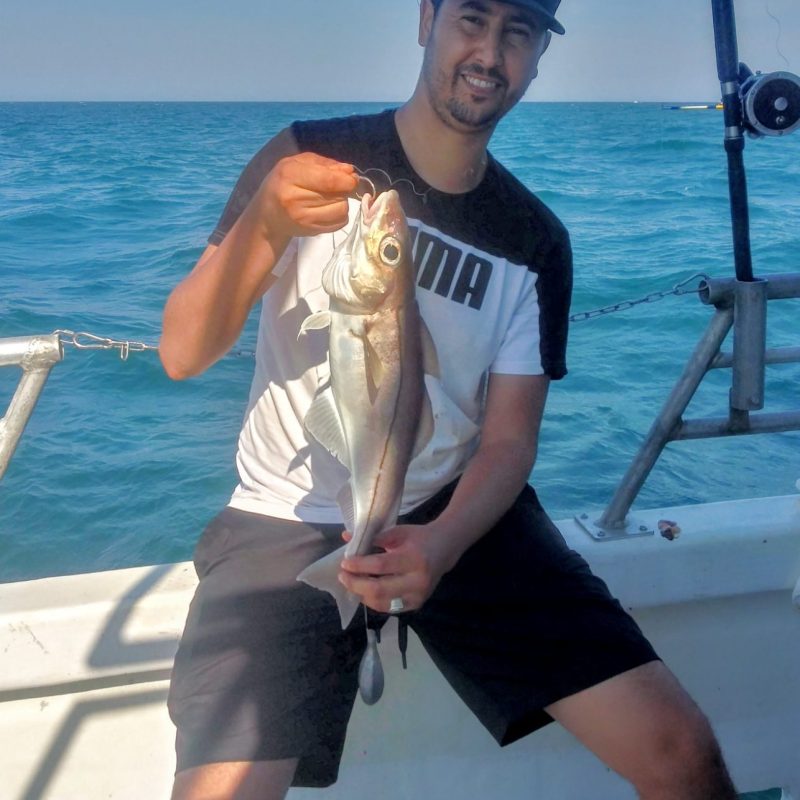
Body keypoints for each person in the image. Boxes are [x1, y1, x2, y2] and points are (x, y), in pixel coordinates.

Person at [160, 1, 738, 798]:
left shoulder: (534, 239)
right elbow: (183, 352)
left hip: (451, 508)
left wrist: (443, 544)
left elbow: (507, 443)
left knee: (684, 754)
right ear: (426, 18)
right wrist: (263, 224)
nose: (490, 52)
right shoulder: (307, 157)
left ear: (538, 57)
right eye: (472, 17)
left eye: (519, 33)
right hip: (285, 514)